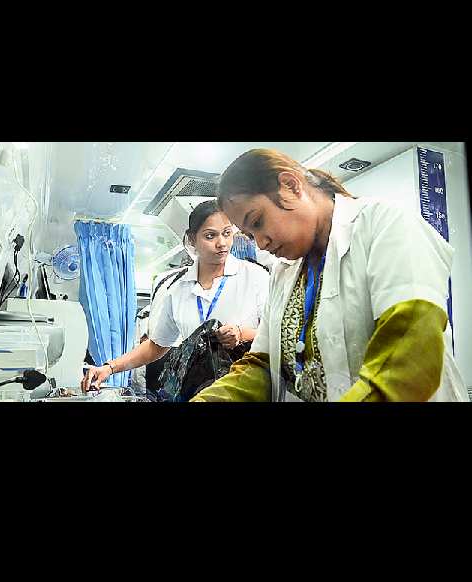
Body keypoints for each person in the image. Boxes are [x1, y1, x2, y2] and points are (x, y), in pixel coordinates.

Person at [192, 148, 467, 402]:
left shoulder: (385, 226)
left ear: (290, 185)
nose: (260, 243)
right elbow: (262, 364)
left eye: (258, 222)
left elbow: (409, 359)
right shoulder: (284, 272)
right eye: (250, 235)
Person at [81, 200, 271, 396]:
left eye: (227, 233)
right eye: (210, 236)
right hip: (197, 391)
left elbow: (276, 335)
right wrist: (109, 368)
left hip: (245, 389)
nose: (221, 243)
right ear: (192, 239)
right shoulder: (176, 288)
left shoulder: (255, 276)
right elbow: (157, 345)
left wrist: (241, 334)